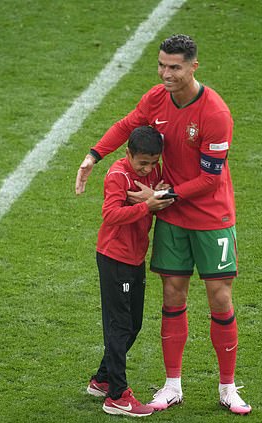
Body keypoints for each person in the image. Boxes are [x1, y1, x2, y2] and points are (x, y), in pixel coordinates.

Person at [76, 34, 251, 415]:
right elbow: (127, 125)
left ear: (193, 67)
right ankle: (172, 386)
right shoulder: (156, 98)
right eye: (161, 65)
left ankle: (227, 387)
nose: (166, 73)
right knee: (173, 296)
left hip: (211, 218)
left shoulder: (215, 114)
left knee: (220, 298)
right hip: (171, 216)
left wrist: (160, 197)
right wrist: (94, 155)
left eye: (174, 67)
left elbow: (210, 179)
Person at [86, 125, 174, 417]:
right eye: (142, 163)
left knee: (132, 324)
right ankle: (117, 396)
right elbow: (109, 214)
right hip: (114, 259)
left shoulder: (153, 173)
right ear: (128, 155)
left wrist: (158, 195)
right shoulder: (117, 175)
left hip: (134, 258)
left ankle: (102, 379)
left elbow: (162, 197)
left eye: (153, 162)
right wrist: (146, 206)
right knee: (120, 325)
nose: (148, 169)